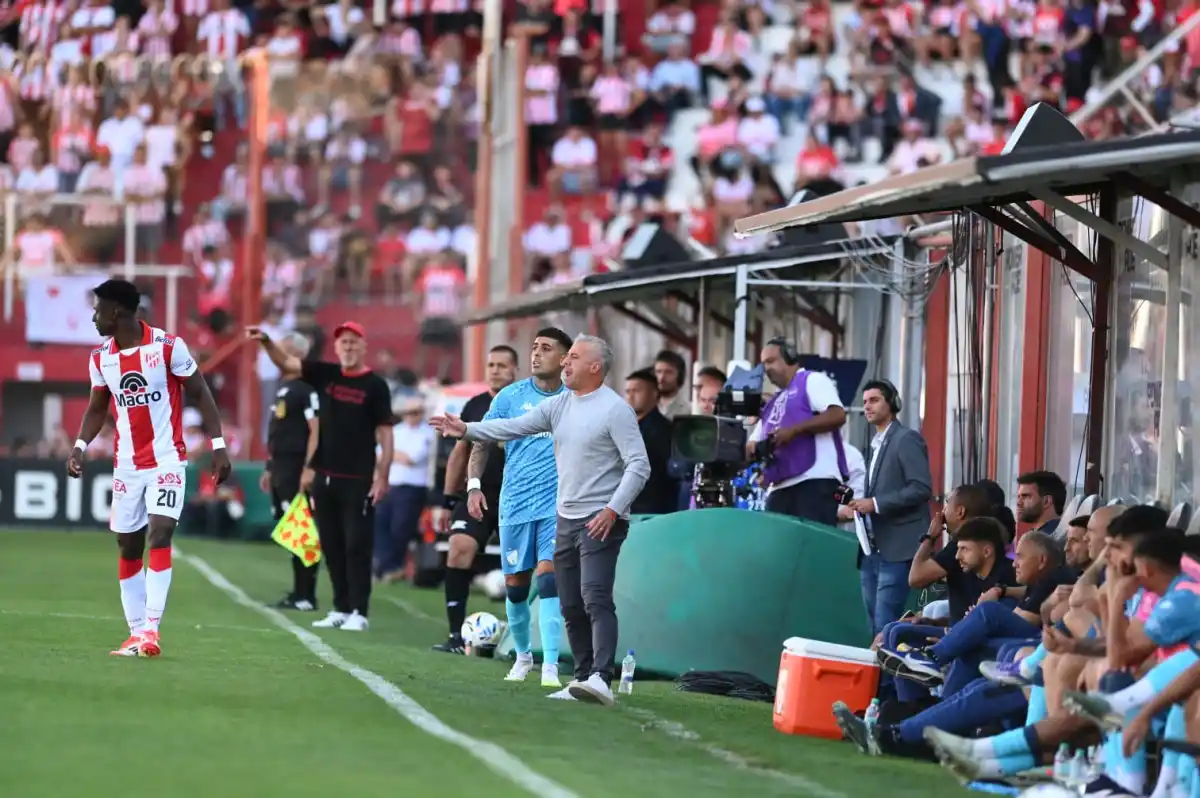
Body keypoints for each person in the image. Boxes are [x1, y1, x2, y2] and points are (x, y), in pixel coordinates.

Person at [431, 334, 650, 706]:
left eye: (573, 357)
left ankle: (601, 677)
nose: (566, 363)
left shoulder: (615, 410)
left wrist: (613, 509)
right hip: (566, 516)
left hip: (601, 518)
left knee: (594, 595)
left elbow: (639, 466)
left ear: (595, 367)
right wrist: (467, 429)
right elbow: (511, 427)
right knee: (569, 603)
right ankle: (581, 678)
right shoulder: (560, 405)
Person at [67, 279, 231, 658]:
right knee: (128, 544)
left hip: (167, 459)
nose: (93, 318)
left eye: (98, 310)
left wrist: (218, 445)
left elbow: (200, 391)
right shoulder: (100, 358)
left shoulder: (168, 347)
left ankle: (151, 631)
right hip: (127, 465)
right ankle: (135, 632)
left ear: (116, 312)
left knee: (160, 532)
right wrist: (79, 446)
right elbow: (97, 408)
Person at [247, 321, 393, 632]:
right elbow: (287, 363)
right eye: (343, 342)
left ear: (363, 346)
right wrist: (267, 342)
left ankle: (359, 611)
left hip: (358, 477)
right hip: (325, 476)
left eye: (354, 341)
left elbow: (385, 433)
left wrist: (382, 476)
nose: (348, 347)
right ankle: (341, 607)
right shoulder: (326, 374)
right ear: (336, 347)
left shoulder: (375, 385)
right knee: (331, 545)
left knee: (356, 545)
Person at [466, 328, 571, 687]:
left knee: (549, 578)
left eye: (546, 348)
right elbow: (482, 440)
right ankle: (523, 656)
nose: (536, 354)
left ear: (564, 358)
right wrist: (474, 486)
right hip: (515, 504)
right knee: (515, 585)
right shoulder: (511, 397)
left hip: (557, 505)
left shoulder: (574, 399)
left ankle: (551, 665)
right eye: (534, 347)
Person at [431, 344, 518, 655]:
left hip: (517, 497)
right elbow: (460, 452)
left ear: (515, 370)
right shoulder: (475, 405)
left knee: (523, 568)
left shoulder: (527, 405)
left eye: (502, 365)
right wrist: (446, 499)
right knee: (458, 549)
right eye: (491, 364)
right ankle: (456, 636)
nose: (495, 370)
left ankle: (524, 642)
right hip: (477, 494)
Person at [847, 379, 933, 633]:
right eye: (864, 402)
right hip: (871, 549)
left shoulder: (906, 439)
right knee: (875, 627)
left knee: (885, 625)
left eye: (874, 400)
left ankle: (888, 661)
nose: (867, 407)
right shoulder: (876, 444)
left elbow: (921, 488)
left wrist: (875, 503)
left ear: (893, 403)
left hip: (897, 548)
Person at [746, 338, 848, 524]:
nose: (766, 369)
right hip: (778, 488)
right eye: (763, 364)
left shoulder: (811, 380)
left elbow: (837, 414)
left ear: (790, 357)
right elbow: (752, 444)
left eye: (771, 361)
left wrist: (794, 431)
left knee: (810, 541)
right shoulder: (772, 403)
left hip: (813, 480)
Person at [260, 331, 321, 611]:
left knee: (302, 528)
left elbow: (315, 430)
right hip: (281, 467)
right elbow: (279, 432)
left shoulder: (306, 390)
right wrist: (270, 466)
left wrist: (309, 467)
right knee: (292, 529)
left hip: (297, 467)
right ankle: (299, 592)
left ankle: (306, 595)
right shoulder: (285, 388)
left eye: (283, 350)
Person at [374, 397, 431, 583]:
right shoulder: (396, 431)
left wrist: (390, 454)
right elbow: (378, 454)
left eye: (416, 412)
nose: (412, 416)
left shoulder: (427, 434)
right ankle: (385, 565)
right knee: (381, 525)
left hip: (412, 487)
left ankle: (395, 565)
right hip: (390, 484)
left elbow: (412, 458)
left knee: (400, 528)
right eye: (409, 413)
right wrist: (392, 455)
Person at [624, 368, 677, 515]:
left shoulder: (665, 430)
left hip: (650, 510)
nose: (630, 396)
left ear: (654, 394)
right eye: (627, 391)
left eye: (636, 391)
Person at [1015, 470, 1066, 540]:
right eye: (1018, 497)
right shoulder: (1062, 534)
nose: (1018, 503)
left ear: (1046, 501)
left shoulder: (1049, 540)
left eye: (1026, 496)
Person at [653, 349, 690, 418]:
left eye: (668, 372)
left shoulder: (688, 411)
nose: (661, 377)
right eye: (658, 372)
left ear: (680, 376)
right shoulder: (645, 407)